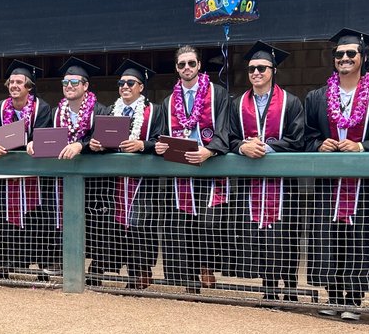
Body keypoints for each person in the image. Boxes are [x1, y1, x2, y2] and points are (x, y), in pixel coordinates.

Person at [304, 29, 369, 320]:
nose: (344, 58)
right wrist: (319, 144)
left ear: (364, 57)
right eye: (339, 54)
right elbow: (304, 136)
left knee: (359, 238)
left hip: (364, 184)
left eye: (351, 53)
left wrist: (362, 145)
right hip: (329, 183)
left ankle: (354, 301)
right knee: (329, 237)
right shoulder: (317, 97)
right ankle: (333, 297)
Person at [227, 40, 305, 301]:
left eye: (262, 68)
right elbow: (229, 137)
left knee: (285, 234)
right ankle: (269, 287)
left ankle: (291, 288)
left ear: (273, 70)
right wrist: (242, 148)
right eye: (251, 69)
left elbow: (299, 140)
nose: (256, 73)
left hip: (283, 185)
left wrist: (264, 149)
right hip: (252, 185)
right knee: (259, 234)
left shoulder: (291, 103)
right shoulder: (237, 104)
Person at [153, 45, 229, 293]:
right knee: (183, 224)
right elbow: (161, 135)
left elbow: (226, 129)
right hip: (181, 171)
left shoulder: (217, 94)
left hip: (209, 166)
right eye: (182, 64)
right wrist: (160, 146)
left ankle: (207, 266)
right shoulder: (168, 101)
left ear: (199, 66)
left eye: (191, 63)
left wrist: (212, 149)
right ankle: (188, 278)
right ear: (176, 68)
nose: (187, 68)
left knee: (208, 223)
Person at [88, 59, 160, 289]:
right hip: (117, 181)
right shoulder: (112, 110)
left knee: (140, 225)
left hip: (143, 181)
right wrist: (97, 145)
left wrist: (142, 145)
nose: (125, 87)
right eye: (121, 83)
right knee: (116, 225)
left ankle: (142, 271)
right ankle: (124, 272)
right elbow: (102, 140)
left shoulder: (154, 111)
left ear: (141, 87)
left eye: (131, 82)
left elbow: (162, 140)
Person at [0, 60, 53, 280]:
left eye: (19, 82)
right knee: (2, 219)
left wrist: (35, 142)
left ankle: (41, 267)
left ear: (29, 87)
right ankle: (2, 265)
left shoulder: (42, 108)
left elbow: (46, 134)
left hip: (33, 177)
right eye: (11, 82)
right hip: (5, 175)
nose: (14, 86)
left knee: (35, 220)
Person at [31, 57, 105, 277]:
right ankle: (58, 263)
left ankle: (95, 271)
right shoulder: (55, 112)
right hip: (60, 179)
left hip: (92, 181)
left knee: (92, 222)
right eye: (65, 83)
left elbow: (101, 140)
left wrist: (80, 145)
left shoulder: (99, 110)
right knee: (57, 220)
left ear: (85, 86)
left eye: (74, 82)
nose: (69, 86)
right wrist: (34, 142)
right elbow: (44, 136)